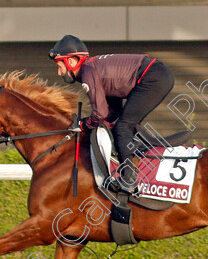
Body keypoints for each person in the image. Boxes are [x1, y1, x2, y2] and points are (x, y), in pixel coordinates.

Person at [49, 35, 175, 192]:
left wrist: (83, 124)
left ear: (71, 61)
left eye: (59, 65)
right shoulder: (92, 69)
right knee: (122, 125)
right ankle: (134, 161)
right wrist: (90, 124)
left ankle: (129, 179)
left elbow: (100, 114)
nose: (59, 72)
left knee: (123, 127)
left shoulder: (88, 73)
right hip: (156, 74)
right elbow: (111, 111)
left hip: (153, 77)